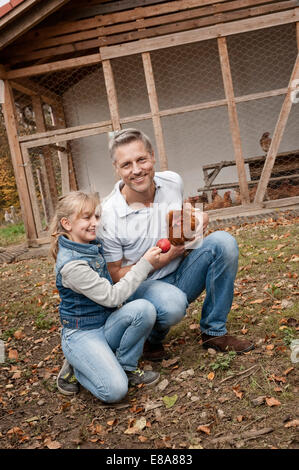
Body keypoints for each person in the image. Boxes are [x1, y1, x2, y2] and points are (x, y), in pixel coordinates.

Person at [98, 128, 254, 358]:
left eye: (141, 159)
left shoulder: (172, 181)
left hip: (181, 271)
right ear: (116, 168)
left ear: (152, 156)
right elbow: (115, 275)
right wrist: (162, 260)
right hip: (142, 287)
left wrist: (199, 218)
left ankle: (214, 332)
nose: (137, 170)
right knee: (172, 305)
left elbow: (184, 214)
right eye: (126, 164)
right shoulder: (108, 214)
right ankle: (149, 336)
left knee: (224, 242)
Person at [50, 191, 163, 404]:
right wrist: (145, 264)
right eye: (86, 217)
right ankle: (78, 365)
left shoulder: (90, 245)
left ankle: (127, 366)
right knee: (115, 391)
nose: (94, 223)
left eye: (96, 216)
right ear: (67, 223)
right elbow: (112, 297)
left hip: (105, 323)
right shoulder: (72, 265)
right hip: (83, 333)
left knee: (145, 309)